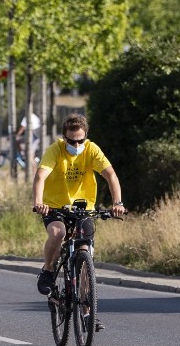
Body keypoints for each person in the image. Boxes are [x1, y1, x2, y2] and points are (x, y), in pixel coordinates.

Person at [33, 114, 125, 331]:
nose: (76, 145)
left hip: (84, 209)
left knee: (84, 258)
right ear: (64, 138)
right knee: (58, 234)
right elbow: (40, 176)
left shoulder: (92, 150)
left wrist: (117, 203)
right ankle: (47, 270)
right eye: (71, 141)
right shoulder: (55, 150)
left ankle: (87, 313)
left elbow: (111, 175)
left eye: (80, 141)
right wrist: (38, 202)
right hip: (55, 206)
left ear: (86, 137)